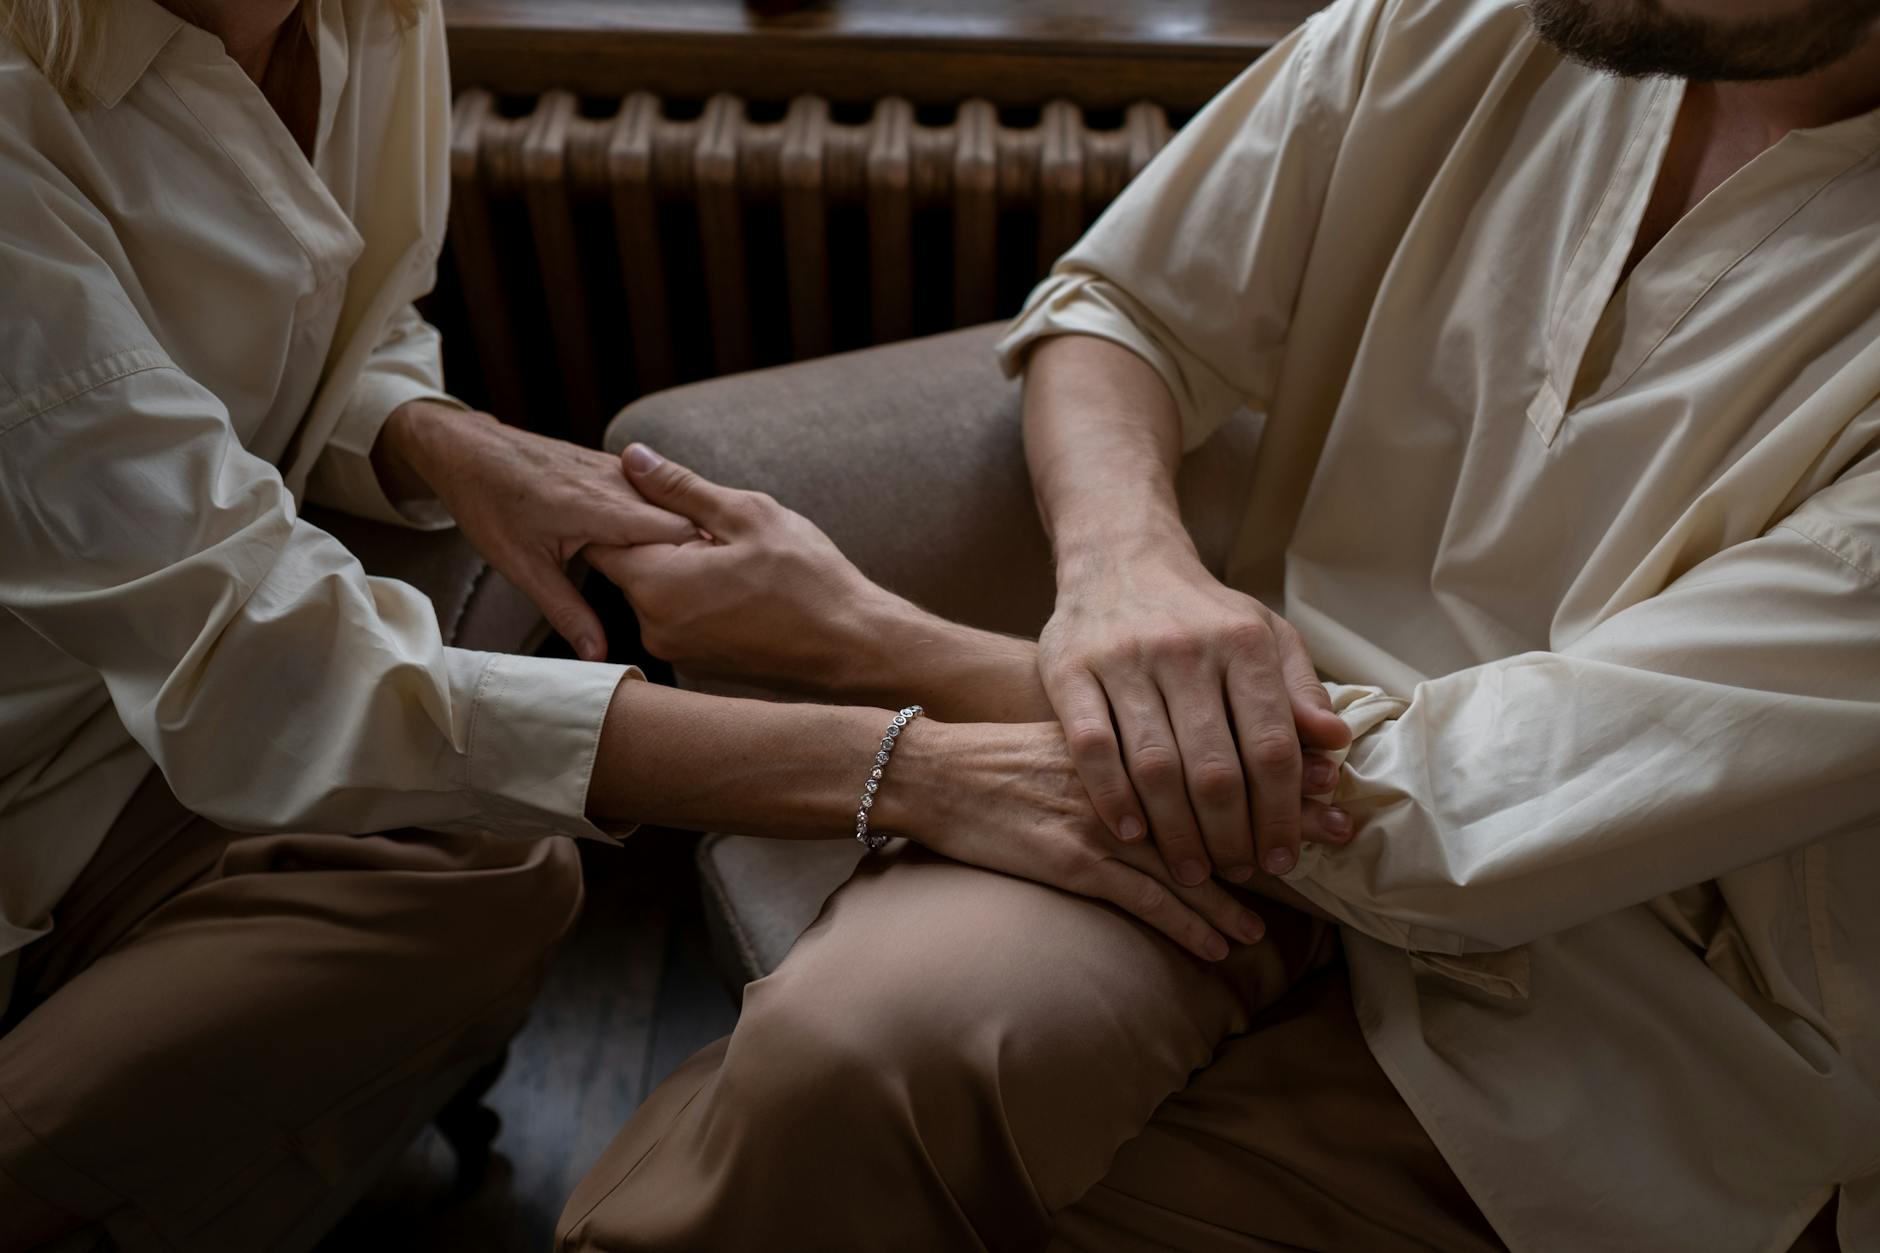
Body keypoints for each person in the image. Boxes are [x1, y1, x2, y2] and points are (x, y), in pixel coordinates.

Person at [0, 2, 1327, 1248]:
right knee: (825, 1039)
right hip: (58, 731)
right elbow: (254, 658)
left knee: (501, 869)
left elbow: (341, 319)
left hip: (137, 721)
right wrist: (911, 760)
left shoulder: (367, 18)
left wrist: (432, 430)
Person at [559, 0, 1880, 1246]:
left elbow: (1457, 815)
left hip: (1626, 998)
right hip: (1224, 811)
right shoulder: (1471, 23)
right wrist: (1127, 565)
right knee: (844, 1064)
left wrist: (871, 637)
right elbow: (1123, 307)